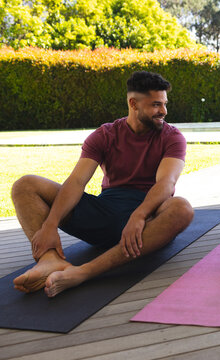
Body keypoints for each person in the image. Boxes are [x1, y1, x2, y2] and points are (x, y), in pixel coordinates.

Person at [11, 71, 194, 297]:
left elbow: (166, 183)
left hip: (148, 222)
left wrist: (139, 216)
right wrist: (50, 225)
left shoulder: (172, 137)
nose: (164, 111)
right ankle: (49, 260)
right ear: (133, 103)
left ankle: (83, 272)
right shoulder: (105, 134)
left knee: (182, 209)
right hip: (105, 212)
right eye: (156, 104)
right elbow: (77, 181)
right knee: (25, 185)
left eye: (165, 104)